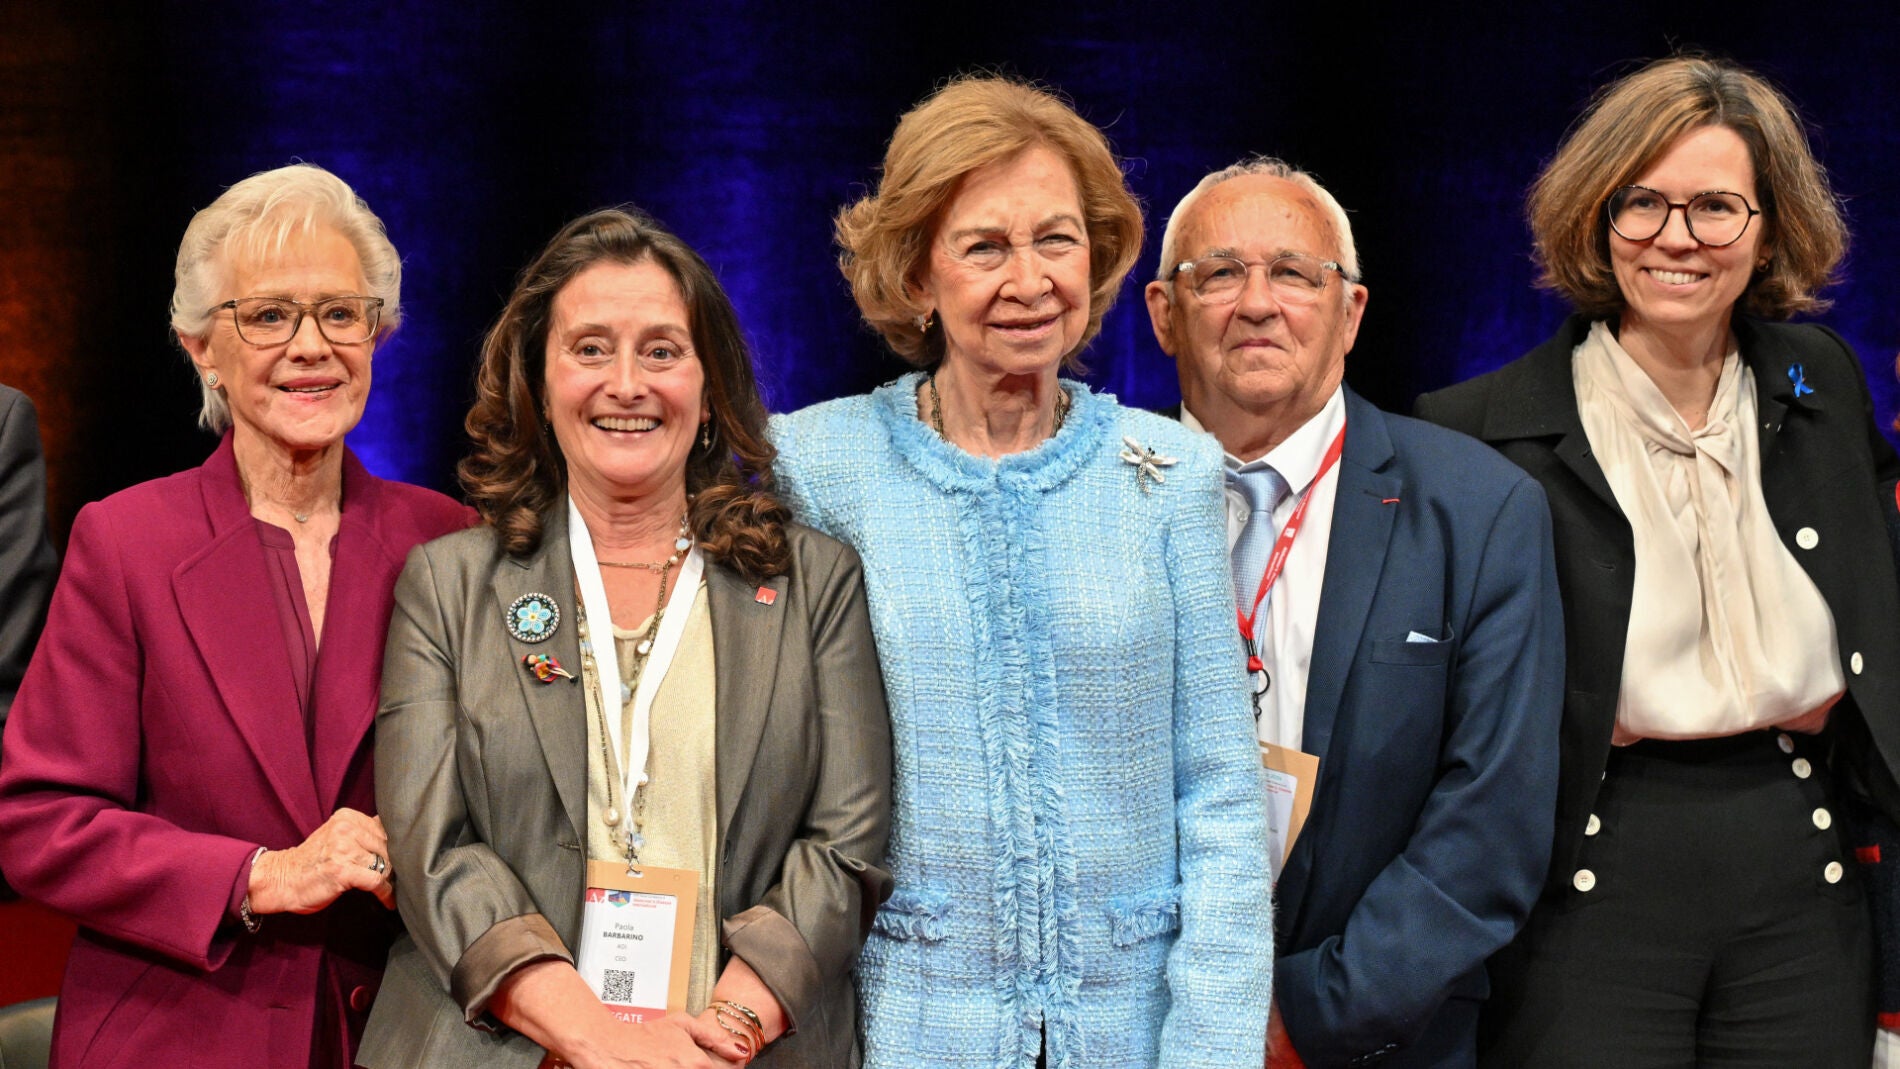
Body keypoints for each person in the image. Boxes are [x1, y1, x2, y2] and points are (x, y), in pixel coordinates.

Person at [771, 75, 1272, 1069]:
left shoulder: (1172, 474)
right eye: (985, 247)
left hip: (1132, 1033)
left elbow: (1219, 796)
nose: (1030, 279)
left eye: (1056, 239)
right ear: (917, 274)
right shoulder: (820, 467)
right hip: (902, 1029)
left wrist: (1211, 1048)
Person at [1416, 55, 1900, 1067]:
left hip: (1803, 872)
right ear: (1597, 216)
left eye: (1716, 206)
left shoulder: (1824, 382)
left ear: (1768, 226)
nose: (1677, 237)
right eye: (1643, 202)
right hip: (1588, 883)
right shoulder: (1476, 431)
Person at [358, 207, 892, 1069]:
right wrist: (597, 1038)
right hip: (503, 1047)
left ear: (710, 387)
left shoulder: (813, 583)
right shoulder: (448, 585)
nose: (627, 383)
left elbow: (846, 845)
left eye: (662, 351)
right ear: (540, 382)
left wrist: (723, 1034)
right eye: (591, 349)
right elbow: (432, 849)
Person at [0, 163, 473, 1067]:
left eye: (341, 313)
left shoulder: (448, 540)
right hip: (180, 1027)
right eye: (269, 315)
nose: (311, 346)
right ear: (200, 348)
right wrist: (260, 874)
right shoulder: (127, 542)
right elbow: (42, 817)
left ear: (377, 335)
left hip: (398, 1031)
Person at [1143, 157, 1565, 1068]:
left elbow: (1493, 821)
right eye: (1220, 273)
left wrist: (1304, 1017)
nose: (1259, 302)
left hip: (1377, 1039)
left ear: (1351, 312)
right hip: (1133, 1029)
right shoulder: (1089, 498)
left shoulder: (1480, 509)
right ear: (1163, 312)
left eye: (1296, 273)